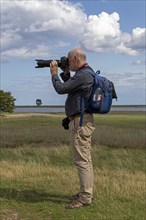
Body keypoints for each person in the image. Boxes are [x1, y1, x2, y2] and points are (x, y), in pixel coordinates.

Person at [50, 48, 95, 209]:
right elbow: (70, 86)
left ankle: (85, 197)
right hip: (81, 120)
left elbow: (62, 89)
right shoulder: (85, 73)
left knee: (81, 160)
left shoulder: (83, 75)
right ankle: (86, 193)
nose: (67, 63)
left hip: (81, 122)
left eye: (69, 61)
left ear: (75, 58)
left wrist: (54, 73)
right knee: (85, 160)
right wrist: (66, 72)